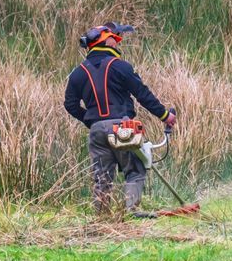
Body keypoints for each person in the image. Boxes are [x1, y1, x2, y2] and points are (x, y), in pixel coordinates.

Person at [64, 21, 178, 218]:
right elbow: (142, 94)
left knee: (102, 178)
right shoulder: (120, 66)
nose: (117, 44)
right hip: (122, 127)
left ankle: (102, 219)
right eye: (115, 41)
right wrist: (165, 116)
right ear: (107, 42)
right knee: (135, 169)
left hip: (96, 131)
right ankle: (132, 212)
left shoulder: (77, 73)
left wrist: (92, 121)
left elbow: (70, 104)